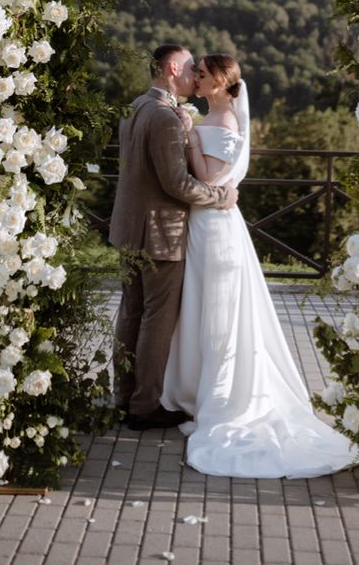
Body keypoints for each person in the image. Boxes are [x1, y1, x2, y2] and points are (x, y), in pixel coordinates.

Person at [162, 53, 359, 478]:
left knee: (218, 312)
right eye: (195, 73)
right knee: (200, 307)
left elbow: (211, 180)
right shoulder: (210, 118)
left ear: (219, 82)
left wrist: (192, 141)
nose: (195, 79)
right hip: (205, 224)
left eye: (201, 75)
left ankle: (221, 398)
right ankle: (197, 390)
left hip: (216, 227)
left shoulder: (223, 125)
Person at [109, 43, 239, 431]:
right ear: (170, 68)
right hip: (159, 233)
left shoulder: (135, 106)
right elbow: (177, 183)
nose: (191, 77)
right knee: (156, 319)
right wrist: (220, 196)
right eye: (187, 69)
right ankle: (144, 405)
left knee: (130, 313)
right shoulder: (166, 117)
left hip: (129, 229)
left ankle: (123, 396)